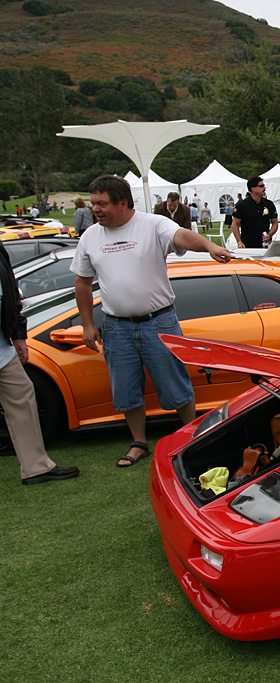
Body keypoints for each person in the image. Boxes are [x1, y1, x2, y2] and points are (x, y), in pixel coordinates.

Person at [70, 175, 233, 468]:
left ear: (123, 203)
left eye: (102, 203)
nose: (95, 209)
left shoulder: (152, 224)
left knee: (176, 384)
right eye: (93, 203)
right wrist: (87, 324)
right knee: (125, 389)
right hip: (115, 327)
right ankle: (139, 443)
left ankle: (191, 437)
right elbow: (82, 283)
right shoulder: (90, 237)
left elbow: (181, 236)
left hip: (158, 322)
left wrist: (209, 246)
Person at [0, 240, 79, 484]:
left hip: (3, 347)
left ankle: (36, 467)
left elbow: (10, 291)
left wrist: (18, 334)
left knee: (23, 396)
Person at [231, 176, 278, 249]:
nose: (264, 188)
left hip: (265, 245)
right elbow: (235, 225)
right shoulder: (242, 205)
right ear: (253, 189)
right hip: (247, 245)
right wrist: (239, 242)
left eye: (264, 185)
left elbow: (275, 222)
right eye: (261, 186)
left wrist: (270, 234)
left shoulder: (269, 204)